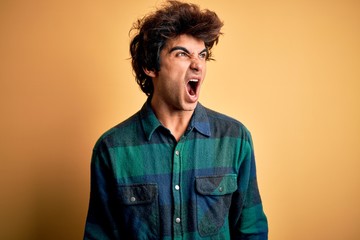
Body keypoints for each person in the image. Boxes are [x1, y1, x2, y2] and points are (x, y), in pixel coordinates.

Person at [84, 0, 268, 239]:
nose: (197, 65)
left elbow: (251, 231)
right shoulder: (112, 149)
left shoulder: (235, 139)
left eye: (202, 55)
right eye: (182, 54)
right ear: (151, 65)